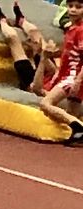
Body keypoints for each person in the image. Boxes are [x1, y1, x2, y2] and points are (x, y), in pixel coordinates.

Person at [0, 2, 59, 96]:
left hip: (32, 83)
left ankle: (2, 20)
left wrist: (42, 58)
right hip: (49, 75)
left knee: (12, 38)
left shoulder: (55, 95)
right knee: (35, 34)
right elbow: (53, 71)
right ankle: (21, 20)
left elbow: (37, 89)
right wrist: (42, 54)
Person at [39, 0, 83, 145]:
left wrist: (78, 80)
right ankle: (78, 131)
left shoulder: (81, 30)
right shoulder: (71, 29)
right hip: (69, 75)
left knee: (46, 103)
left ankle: (79, 128)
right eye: (70, 6)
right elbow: (68, 54)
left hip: (73, 76)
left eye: (78, 7)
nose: (73, 10)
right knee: (72, 114)